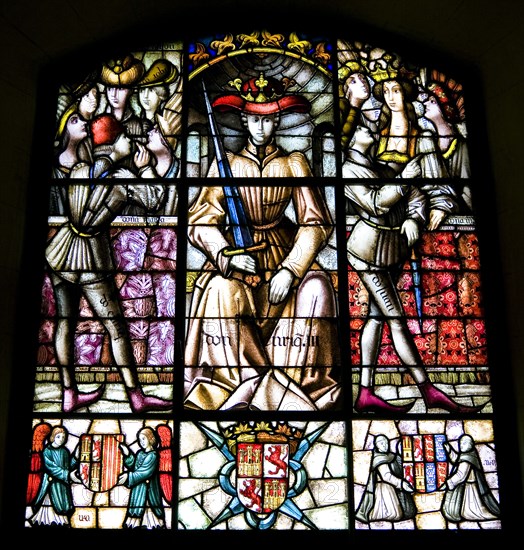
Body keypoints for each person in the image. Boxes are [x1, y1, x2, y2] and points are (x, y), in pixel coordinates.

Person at [184, 72, 340, 411]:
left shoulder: (293, 163)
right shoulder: (227, 164)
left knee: (317, 287)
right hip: (240, 256)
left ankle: (296, 386)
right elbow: (200, 219)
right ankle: (231, 387)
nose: (260, 128)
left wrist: (291, 269)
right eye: (254, 119)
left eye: (269, 120)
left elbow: (315, 222)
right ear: (243, 119)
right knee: (219, 291)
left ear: (278, 121)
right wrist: (225, 254)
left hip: (284, 249)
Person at [344, 124, 483, 413]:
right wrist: (403, 181)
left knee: (376, 318)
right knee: (394, 317)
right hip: (367, 251)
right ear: (353, 137)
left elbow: (416, 194)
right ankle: (428, 389)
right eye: (361, 126)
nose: (367, 126)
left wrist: (413, 218)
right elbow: (374, 204)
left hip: (392, 250)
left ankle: (365, 392)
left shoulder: (381, 167)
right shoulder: (347, 171)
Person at [45, 114, 173, 413]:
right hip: (89, 257)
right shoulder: (122, 182)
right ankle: (136, 397)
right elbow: (155, 198)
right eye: (128, 138)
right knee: (116, 328)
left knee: (65, 323)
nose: (133, 142)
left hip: (61, 251)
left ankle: (68, 393)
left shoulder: (78, 169)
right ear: (117, 141)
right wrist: (145, 170)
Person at [371, 64, 459, 231]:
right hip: (378, 215)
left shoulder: (422, 138)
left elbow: (436, 180)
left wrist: (440, 206)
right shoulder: (376, 138)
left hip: (414, 213)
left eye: (396, 90)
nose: (390, 97)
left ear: (405, 93)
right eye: (386, 91)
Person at [422, 71, 473, 212]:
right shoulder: (427, 142)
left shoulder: (461, 147)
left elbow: (468, 190)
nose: (425, 103)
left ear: (445, 110)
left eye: (432, 102)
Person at [355, 434, 416, 523]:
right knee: (393, 514)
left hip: (393, 488)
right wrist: (401, 484)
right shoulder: (379, 458)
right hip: (383, 489)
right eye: (381, 443)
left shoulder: (392, 456)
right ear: (377, 446)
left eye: (386, 443)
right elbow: (386, 476)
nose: (385, 445)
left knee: (401, 513)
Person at [441, 434, 501, 522]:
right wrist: (450, 451)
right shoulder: (469, 454)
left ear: (470, 444)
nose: (461, 445)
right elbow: (457, 460)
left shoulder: (467, 458)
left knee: (471, 511)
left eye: (464, 443)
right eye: (460, 443)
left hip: (471, 488)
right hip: (468, 487)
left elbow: (460, 475)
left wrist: (448, 483)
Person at [29, 426, 80, 527]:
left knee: (61, 505)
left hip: (61, 485)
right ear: (53, 437)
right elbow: (52, 468)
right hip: (50, 484)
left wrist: (75, 457)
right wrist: (67, 475)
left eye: (63, 437)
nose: (61, 439)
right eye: (58, 436)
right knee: (48, 507)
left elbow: (68, 466)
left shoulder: (64, 452)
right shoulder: (47, 451)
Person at [117, 427, 166, 529]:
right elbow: (134, 467)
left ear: (150, 438)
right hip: (138, 491)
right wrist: (127, 454)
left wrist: (128, 477)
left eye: (143, 439)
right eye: (140, 440)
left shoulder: (153, 456)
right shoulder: (140, 453)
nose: (141, 442)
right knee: (134, 522)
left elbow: (145, 472)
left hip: (148, 492)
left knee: (151, 522)